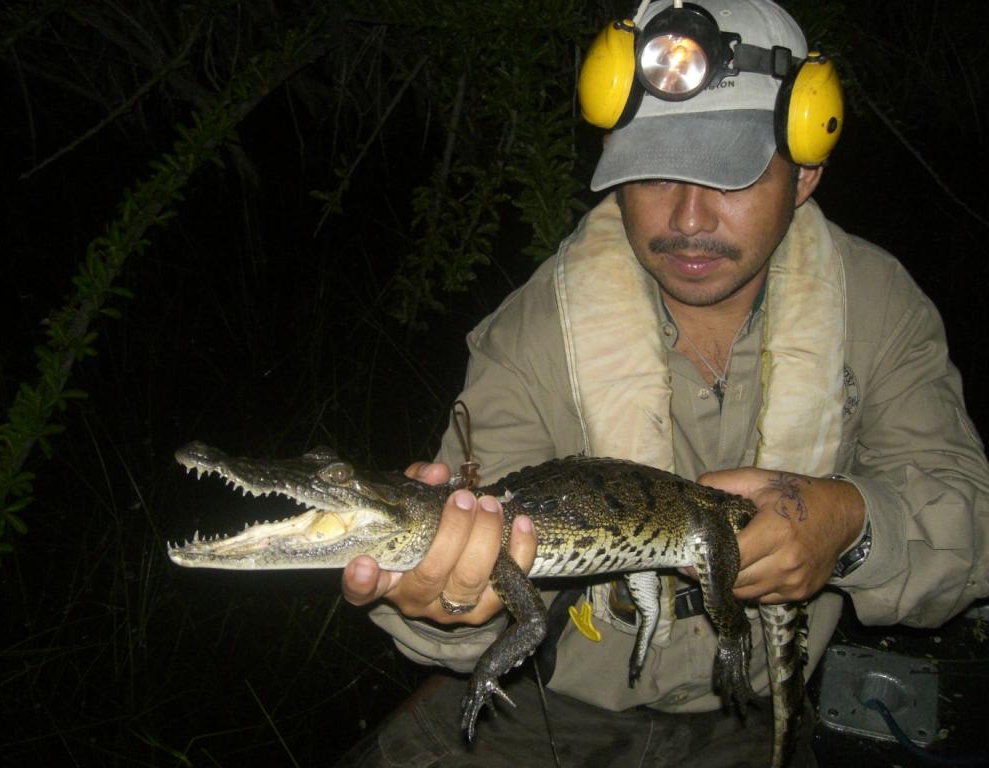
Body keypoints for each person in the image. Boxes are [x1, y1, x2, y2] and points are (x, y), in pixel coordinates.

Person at [336, 0, 989, 765]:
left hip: (745, 716)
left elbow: (972, 530)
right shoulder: (531, 331)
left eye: (732, 174)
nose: (685, 217)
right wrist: (440, 603)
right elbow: (469, 590)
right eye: (652, 172)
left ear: (806, 171)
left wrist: (849, 525)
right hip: (552, 708)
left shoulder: (882, 306)